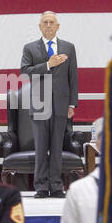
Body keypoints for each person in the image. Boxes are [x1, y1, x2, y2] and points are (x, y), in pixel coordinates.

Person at [20, 11, 78, 198]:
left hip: (61, 104)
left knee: (56, 147)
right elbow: (24, 72)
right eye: (44, 22)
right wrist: (48, 64)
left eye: (51, 22)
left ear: (57, 25)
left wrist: (72, 104)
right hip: (39, 103)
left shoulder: (69, 48)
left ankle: (56, 186)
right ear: (39, 26)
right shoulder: (30, 48)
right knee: (41, 146)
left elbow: (73, 77)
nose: (48, 25)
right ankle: (41, 187)